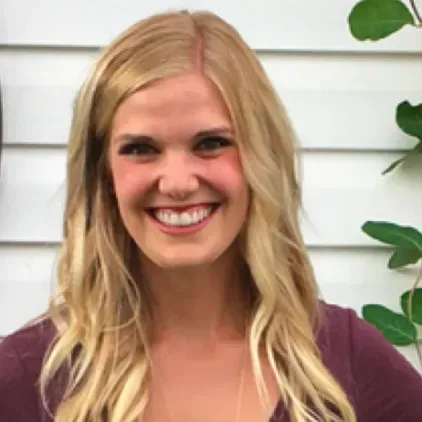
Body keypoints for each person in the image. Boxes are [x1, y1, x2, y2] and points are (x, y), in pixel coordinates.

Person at [0, 10, 421, 422]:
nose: (178, 183)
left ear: (262, 156)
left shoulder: (345, 361)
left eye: (211, 143)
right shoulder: (27, 377)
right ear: (103, 175)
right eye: (141, 149)